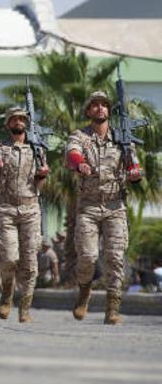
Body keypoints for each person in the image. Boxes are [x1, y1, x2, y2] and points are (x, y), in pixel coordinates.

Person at [66, 91, 143, 324]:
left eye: (104, 105)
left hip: (115, 206)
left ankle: (112, 309)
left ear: (109, 111)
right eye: (95, 105)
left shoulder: (122, 139)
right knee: (88, 256)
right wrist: (80, 165)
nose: (100, 108)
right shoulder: (80, 136)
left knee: (115, 256)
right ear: (88, 111)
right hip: (88, 208)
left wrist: (134, 172)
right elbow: (72, 155)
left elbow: (134, 165)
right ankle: (84, 293)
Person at [0, 107, 49, 322]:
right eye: (15, 119)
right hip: (8, 210)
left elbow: (41, 183)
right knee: (9, 258)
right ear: (8, 124)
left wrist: (42, 175)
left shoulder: (37, 149)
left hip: (31, 209)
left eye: (22, 119)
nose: (19, 122)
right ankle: (7, 293)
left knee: (30, 261)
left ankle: (25, 308)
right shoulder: (0, 148)